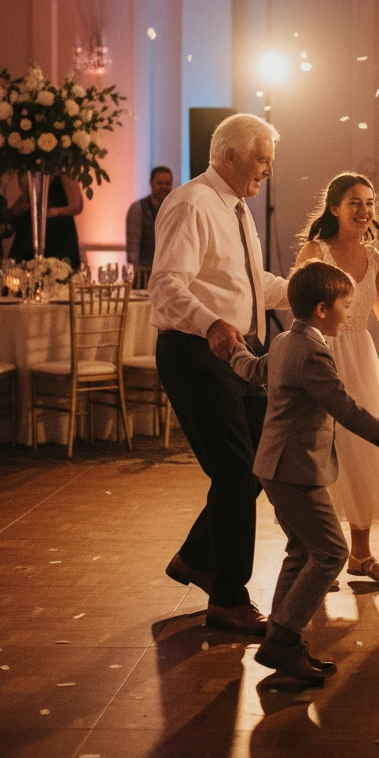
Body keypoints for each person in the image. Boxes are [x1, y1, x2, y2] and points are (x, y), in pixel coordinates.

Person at [230, 261, 379, 684]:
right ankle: (284, 639)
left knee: (300, 550)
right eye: (347, 305)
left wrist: (235, 349)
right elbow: (344, 408)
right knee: (330, 552)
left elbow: (253, 370)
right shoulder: (312, 352)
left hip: (274, 466)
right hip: (295, 469)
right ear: (324, 309)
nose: (350, 313)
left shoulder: (286, 341)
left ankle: (280, 636)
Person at [150, 112, 287, 636]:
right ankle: (228, 598)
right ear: (228, 156)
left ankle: (196, 559)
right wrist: (211, 325)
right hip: (195, 353)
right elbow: (167, 286)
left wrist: (306, 287)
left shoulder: (236, 208)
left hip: (234, 353)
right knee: (235, 471)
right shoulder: (191, 203)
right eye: (261, 160)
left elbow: (248, 286)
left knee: (258, 463)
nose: (267, 172)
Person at [294, 172, 379, 583]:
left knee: (364, 452)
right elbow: (300, 309)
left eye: (369, 203)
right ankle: (320, 554)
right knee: (320, 452)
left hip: (362, 360)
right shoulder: (316, 250)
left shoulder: (374, 258)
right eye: (355, 202)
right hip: (324, 355)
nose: (364, 211)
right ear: (334, 208)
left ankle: (361, 555)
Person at [8, 173, 83, 267]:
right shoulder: (30, 170)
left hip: (56, 232)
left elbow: (77, 206)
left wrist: (50, 212)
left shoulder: (62, 172)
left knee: (57, 270)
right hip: (30, 230)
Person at [126, 166, 174, 269]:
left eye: (167, 183)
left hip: (170, 273)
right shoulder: (138, 208)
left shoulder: (176, 208)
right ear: (151, 183)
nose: (164, 187)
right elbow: (133, 247)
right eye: (160, 183)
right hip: (145, 273)